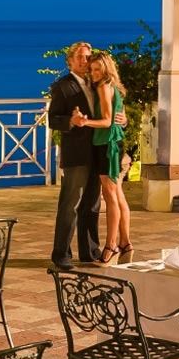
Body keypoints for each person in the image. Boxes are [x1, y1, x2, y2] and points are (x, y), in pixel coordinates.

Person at [71, 52, 131, 264]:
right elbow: (118, 116)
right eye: (92, 69)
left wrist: (84, 122)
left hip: (107, 145)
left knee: (110, 196)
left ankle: (111, 245)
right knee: (118, 194)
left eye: (98, 69)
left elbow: (106, 121)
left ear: (106, 70)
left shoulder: (103, 87)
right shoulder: (113, 87)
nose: (94, 73)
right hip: (111, 142)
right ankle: (126, 244)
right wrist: (122, 121)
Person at [47, 42, 103, 269]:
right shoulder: (63, 86)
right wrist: (71, 120)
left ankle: (90, 251)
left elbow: (107, 112)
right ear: (70, 61)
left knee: (92, 204)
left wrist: (122, 119)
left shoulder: (97, 83)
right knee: (70, 204)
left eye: (88, 57)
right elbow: (53, 119)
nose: (84, 61)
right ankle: (61, 253)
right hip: (76, 154)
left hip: (97, 151)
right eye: (80, 57)